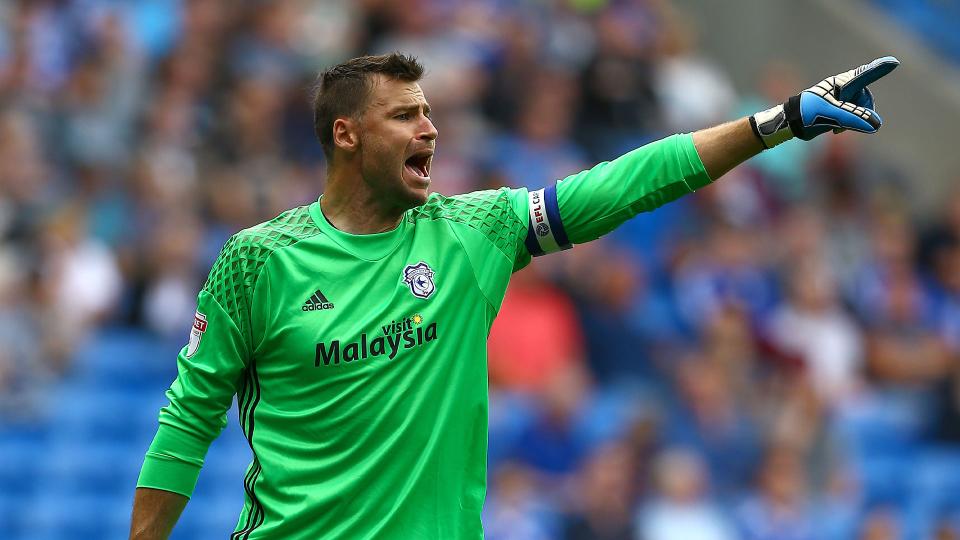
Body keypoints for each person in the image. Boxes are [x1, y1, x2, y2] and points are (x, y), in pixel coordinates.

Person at [129, 52, 899, 539]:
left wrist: (779, 122)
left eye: (429, 111)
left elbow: (624, 183)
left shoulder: (472, 231)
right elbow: (186, 423)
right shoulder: (257, 260)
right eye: (404, 115)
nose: (428, 128)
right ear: (346, 135)